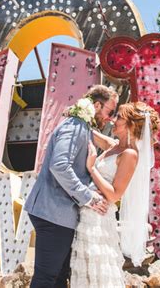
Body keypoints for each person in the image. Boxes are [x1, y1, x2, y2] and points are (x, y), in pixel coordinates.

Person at [24, 85, 119, 288]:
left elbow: (115, 146)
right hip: (54, 213)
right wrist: (89, 197)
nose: (111, 118)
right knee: (46, 278)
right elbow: (59, 165)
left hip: (57, 213)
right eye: (109, 112)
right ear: (96, 105)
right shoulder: (75, 126)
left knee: (58, 277)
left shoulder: (81, 127)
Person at [70, 101, 160, 288]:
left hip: (98, 219)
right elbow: (89, 133)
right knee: (84, 273)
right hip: (86, 211)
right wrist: (78, 114)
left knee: (96, 273)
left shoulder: (130, 154)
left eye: (119, 117)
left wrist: (91, 169)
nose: (113, 120)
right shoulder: (113, 145)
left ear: (131, 125)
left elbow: (114, 195)